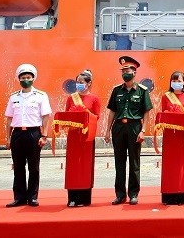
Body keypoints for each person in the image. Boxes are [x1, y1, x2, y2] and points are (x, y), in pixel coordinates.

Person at [103, 56, 153, 206]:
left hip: (134, 127)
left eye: (128, 70)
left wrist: (143, 130)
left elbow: (147, 112)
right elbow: (112, 111)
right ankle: (120, 194)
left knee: (134, 162)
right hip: (118, 127)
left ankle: (133, 194)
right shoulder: (116, 90)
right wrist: (107, 130)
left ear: (134, 72)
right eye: (123, 70)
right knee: (119, 162)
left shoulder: (142, 91)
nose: (125, 73)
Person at [4, 64, 52, 207]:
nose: (26, 79)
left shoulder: (41, 96)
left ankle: (32, 196)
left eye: (28, 77)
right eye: (23, 77)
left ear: (33, 79)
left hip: (33, 133)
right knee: (18, 166)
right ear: (19, 79)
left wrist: (44, 135)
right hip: (17, 133)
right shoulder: (13, 97)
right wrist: (7, 138)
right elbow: (9, 119)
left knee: (33, 166)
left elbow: (46, 116)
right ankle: (19, 197)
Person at [63, 69, 102, 207]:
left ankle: (84, 198)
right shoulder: (71, 98)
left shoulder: (95, 99)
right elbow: (67, 114)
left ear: (88, 83)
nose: (78, 84)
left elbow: (97, 116)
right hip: (73, 135)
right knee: (73, 166)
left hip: (87, 136)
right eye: (77, 82)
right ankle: (72, 197)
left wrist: (85, 115)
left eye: (81, 82)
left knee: (85, 165)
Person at [159, 71, 184, 205]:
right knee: (169, 165)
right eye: (174, 80)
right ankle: (168, 194)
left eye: (179, 80)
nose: (176, 83)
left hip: (182, 136)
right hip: (169, 136)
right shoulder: (166, 96)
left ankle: (181, 193)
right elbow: (163, 113)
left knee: (181, 165)